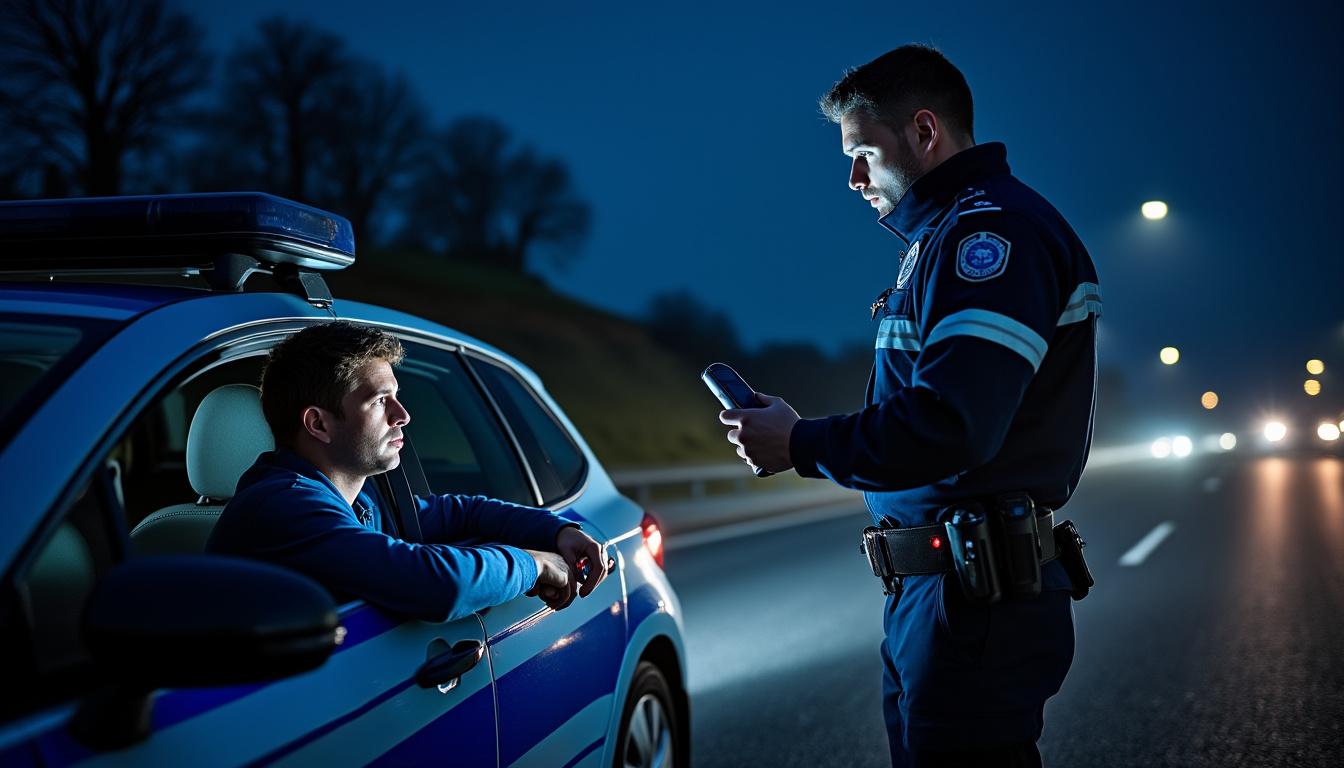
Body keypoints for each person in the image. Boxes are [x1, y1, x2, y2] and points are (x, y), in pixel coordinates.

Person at [720, 45, 1101, 766]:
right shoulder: (944, 236)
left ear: (924, 132)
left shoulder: (990, 236)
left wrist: (800, 443)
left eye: (864, 153)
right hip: (943, 591)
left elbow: (953, 423)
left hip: (972, 598)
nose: (854, 179)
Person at [208, 321, 608, 621]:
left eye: (396, 397)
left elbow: (460, 513)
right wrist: (535, 564)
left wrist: (555, 531)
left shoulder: (359, 498)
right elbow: (437, 585)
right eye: (380, 401)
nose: (403, 415)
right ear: (318, 424)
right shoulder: (283, 507)